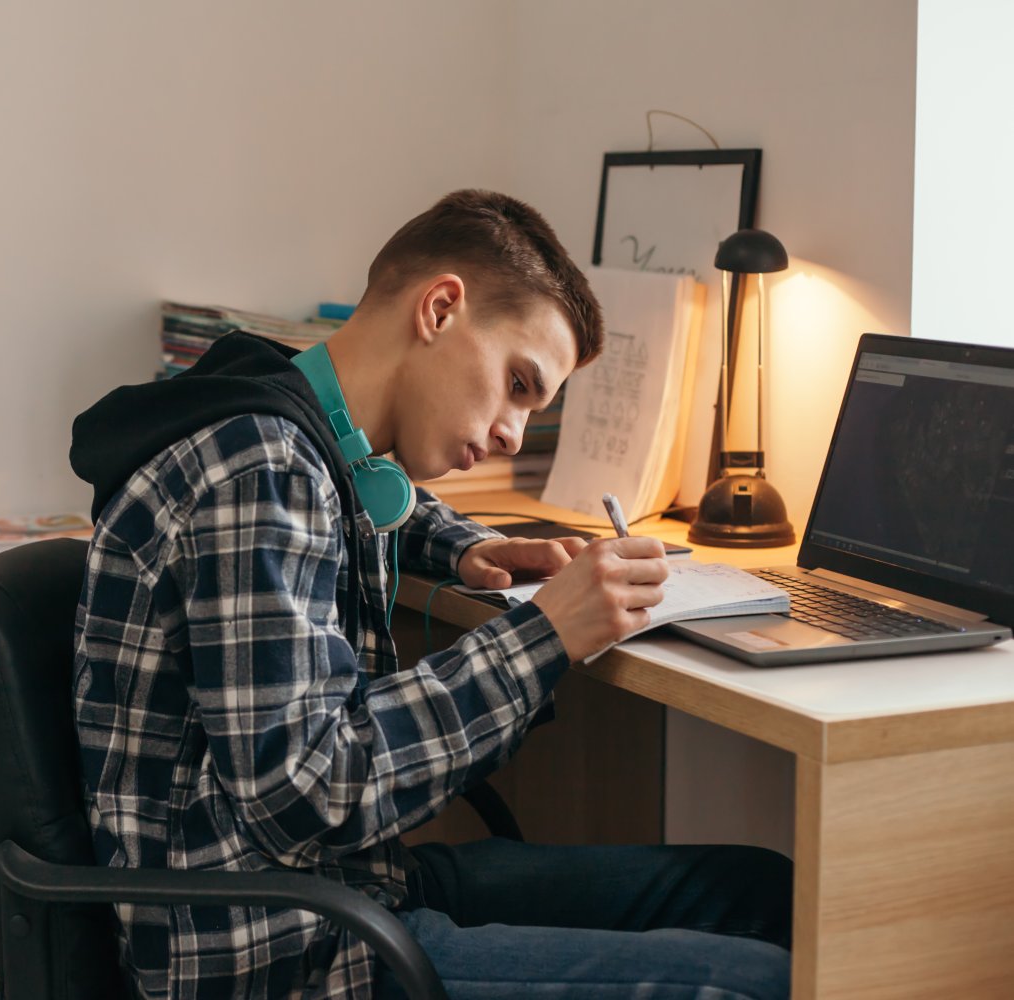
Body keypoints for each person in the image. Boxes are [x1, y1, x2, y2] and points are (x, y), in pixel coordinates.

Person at [69, 189, 792, 1000]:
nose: (514, 432)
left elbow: (366, 491)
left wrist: (466, 543)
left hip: (332, 891)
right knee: (758, 982)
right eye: (518, 383)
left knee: (760, 892)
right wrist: (546, 634)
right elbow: (306, 793)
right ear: (441, 308)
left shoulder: (271, 408)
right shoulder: (259, 473)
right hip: (278, 952)